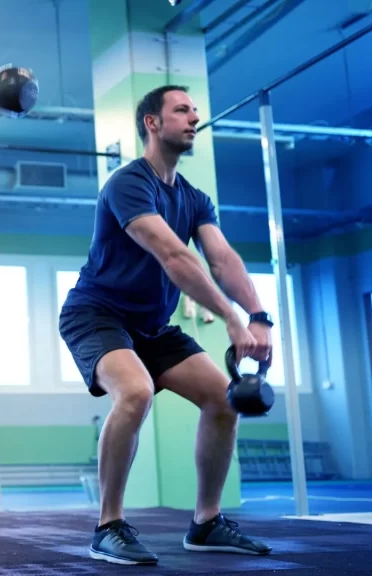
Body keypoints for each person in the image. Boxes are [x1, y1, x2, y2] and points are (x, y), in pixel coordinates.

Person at [58, 85, 275, 566]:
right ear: (152, 123)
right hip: (96, 314)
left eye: (195, 110)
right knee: (136, 392)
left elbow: (221, 259)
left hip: (152, 326)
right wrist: (231, 319)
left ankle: (206, 522)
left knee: (222, 399)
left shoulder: (194, 199)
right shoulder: (128, 183)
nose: (194, 117)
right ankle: (108, 525)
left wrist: (259, 315)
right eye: (182, 110)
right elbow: (174, 256)